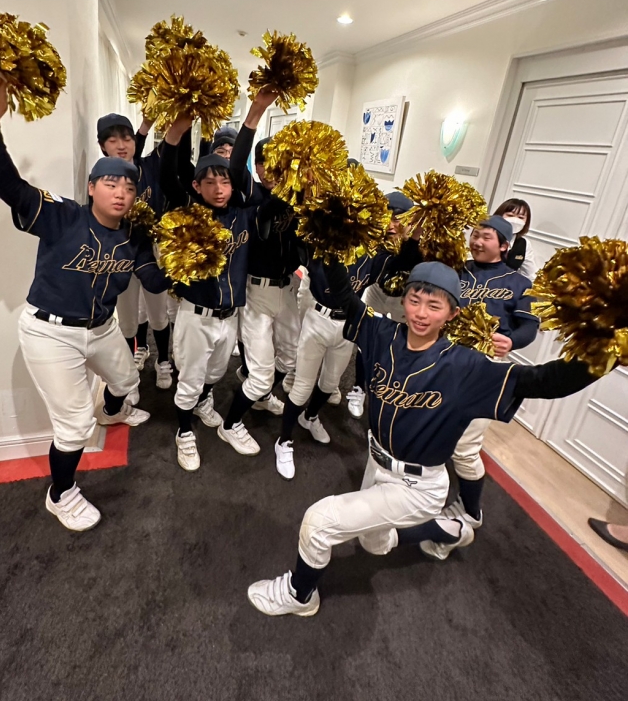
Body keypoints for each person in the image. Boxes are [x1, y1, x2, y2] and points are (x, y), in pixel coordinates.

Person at [247, 259, 606, 617]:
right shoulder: (381, 334)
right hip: (377, 463)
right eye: (414, 300)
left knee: (319, 522)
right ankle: (450, 530)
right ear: (403, 300)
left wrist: (608, 347)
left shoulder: (466, 367)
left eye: (434, 305)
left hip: (417, 487)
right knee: (374, 543)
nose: (421, 313)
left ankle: (300, 595)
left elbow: (544, 382)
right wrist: (332, 245)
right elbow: (344, 295)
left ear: (452, 313)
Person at [0, 79, 170, 531]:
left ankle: (112, 411)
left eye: (129, 187)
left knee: (127, 379)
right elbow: (9, 185)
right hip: (50, 332)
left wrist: (189, 268)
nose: (120, 192)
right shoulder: (63, 216)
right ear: (92, 187)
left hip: (101, 327)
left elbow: (153, 279)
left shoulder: (133, 235)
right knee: (76, 425)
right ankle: (60, 494)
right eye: (110, 183)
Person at [158, 89, 280, 471]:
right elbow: (167, 175)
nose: (218, 188)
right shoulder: (189, 213)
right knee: (189, 380)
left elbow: (244, 166)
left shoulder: (244, 212)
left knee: (214, 373)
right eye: (209, 182)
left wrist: (256, 114)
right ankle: (184, 432)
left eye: (224, 181)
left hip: (230, 317)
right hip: (196, 315)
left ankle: (204, 402)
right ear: (197, 187)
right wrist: (176, 132)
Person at [274, 217, 423, 481]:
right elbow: (297, 237)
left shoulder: (372, 253)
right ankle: (283, 441)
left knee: (331, 382)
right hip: (318, 318)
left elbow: (403, 261)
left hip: (350, 323)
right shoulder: (323, 243)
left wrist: (414, 236)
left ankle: (309, 417)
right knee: (302, 386)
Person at [432, 215, 539, 552]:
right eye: (475, 235)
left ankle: (471, 510)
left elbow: (529, 327)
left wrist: (512, 341)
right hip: (445, 358)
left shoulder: (520, 283)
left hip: (485, 368)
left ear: (504, 246)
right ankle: (425, 493)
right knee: (433, 427)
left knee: (465, 447)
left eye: (486, 237)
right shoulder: (456, 270)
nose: (477, 241)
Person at [218, 99, 303, 452]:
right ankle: (230, 424)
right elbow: (236, 165)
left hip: (288, 288)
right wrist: (254, 115)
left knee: (290, 357)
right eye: (263, 162)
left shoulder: (296, 195)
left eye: (275, 163)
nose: (268, 169)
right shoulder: (249, 193)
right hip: (257, 292)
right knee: (262, 374)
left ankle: (260, 390)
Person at [99, 113, 173, 396]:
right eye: (112, 140)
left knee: (158, 313)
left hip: (152, 251)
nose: (121, 145)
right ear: (102, 146)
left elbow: (155, 148)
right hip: (121, 254)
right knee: (128, 319)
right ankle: (132, 364)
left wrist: (147, 125)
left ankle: (163, 360)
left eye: (127, 138)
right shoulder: (101, 178)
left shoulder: (149, 167)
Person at [346, 191, 415, 419]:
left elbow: (408, 261)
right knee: (366, 339)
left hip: (404, 300)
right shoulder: (376, 239)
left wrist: (413, 241)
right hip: (376, 292)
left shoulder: (419, 243)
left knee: (398, 346)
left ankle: (389, 393)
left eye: (397, 219)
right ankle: (359, 387)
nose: (391, 225)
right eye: (387, 217)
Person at [494, 198, 537, 282]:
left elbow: (530, 274)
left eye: (521, 217)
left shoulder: (524, 244)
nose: (515, 220)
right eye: (510, 215)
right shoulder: (487, 236)